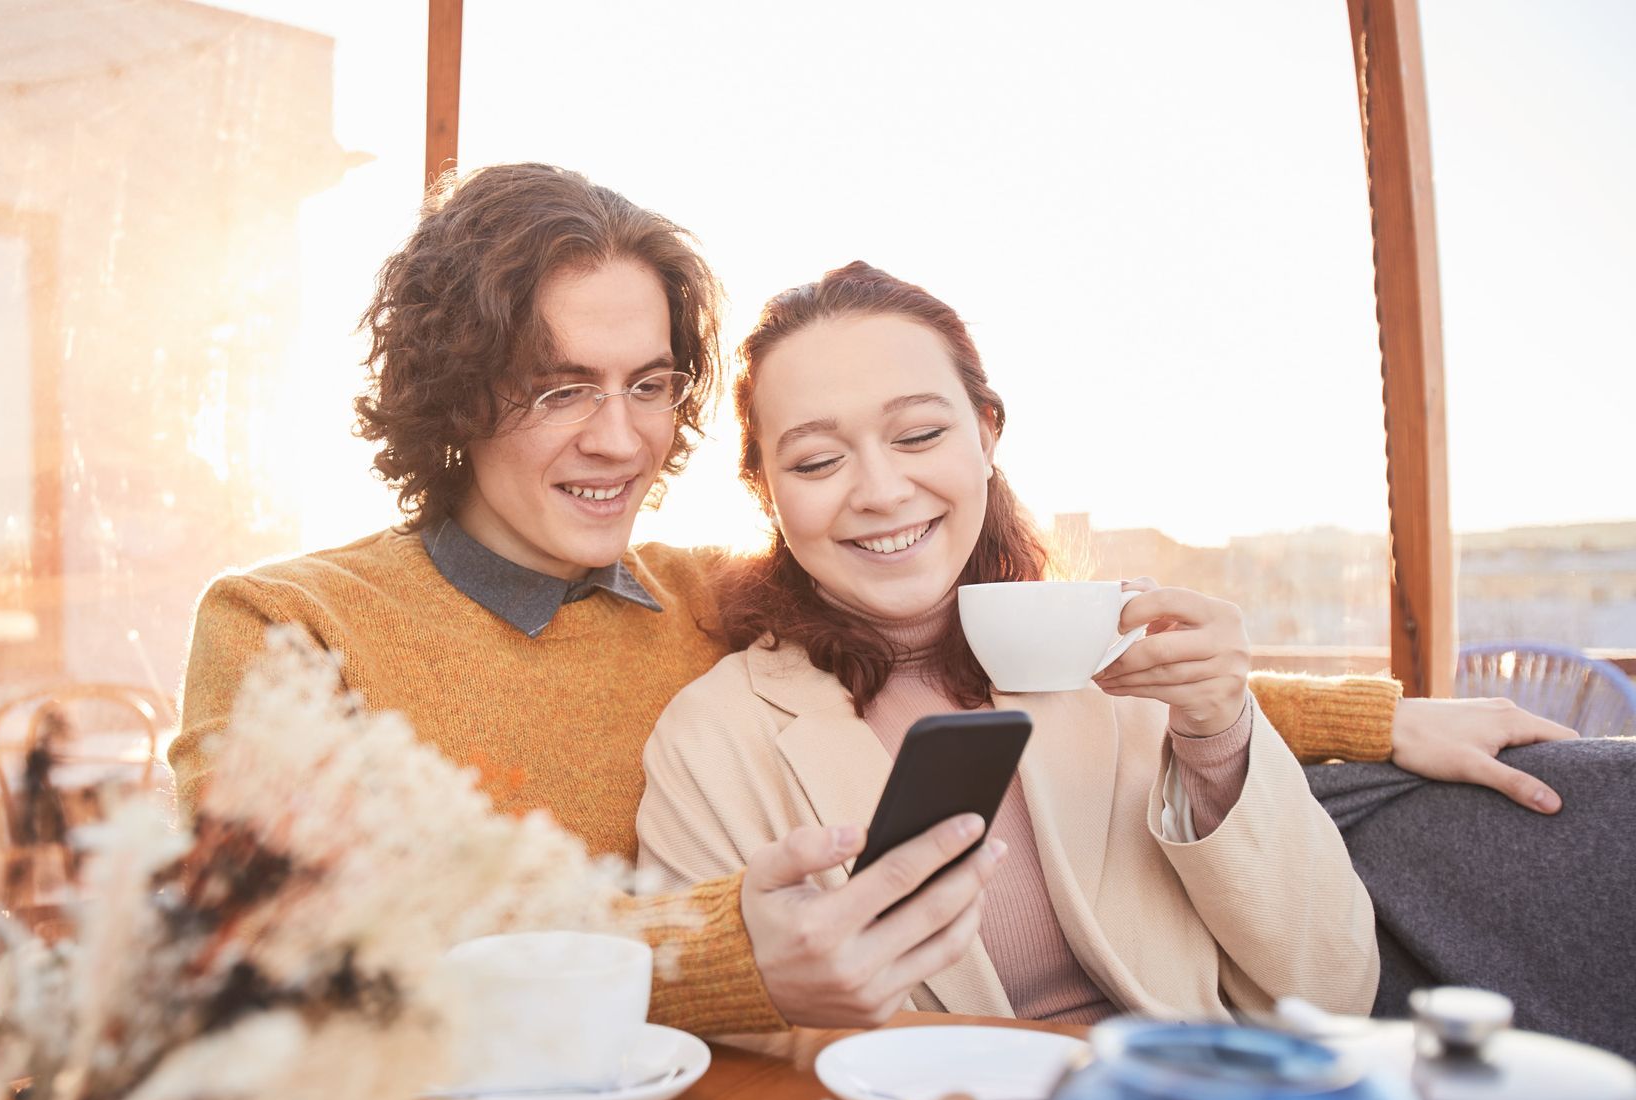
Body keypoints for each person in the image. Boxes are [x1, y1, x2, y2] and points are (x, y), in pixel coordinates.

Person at [170, 163, 1573, 1036]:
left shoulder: (701, 598)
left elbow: (978, 660)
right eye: (555, 388)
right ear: (453, 395)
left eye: (651, 385)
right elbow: (280, 969)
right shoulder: (287, 627)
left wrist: (1359, 718)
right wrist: (724, 962)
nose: (618, 439)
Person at [636, 262, 1382, 1021]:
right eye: (817, 461)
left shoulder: (1117, 657)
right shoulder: (712, 741)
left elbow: (1332, 992)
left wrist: (1220, 737)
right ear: (766, 492)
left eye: (920, 434)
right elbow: (702, 1037)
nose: (882, 491)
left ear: (987, 435)